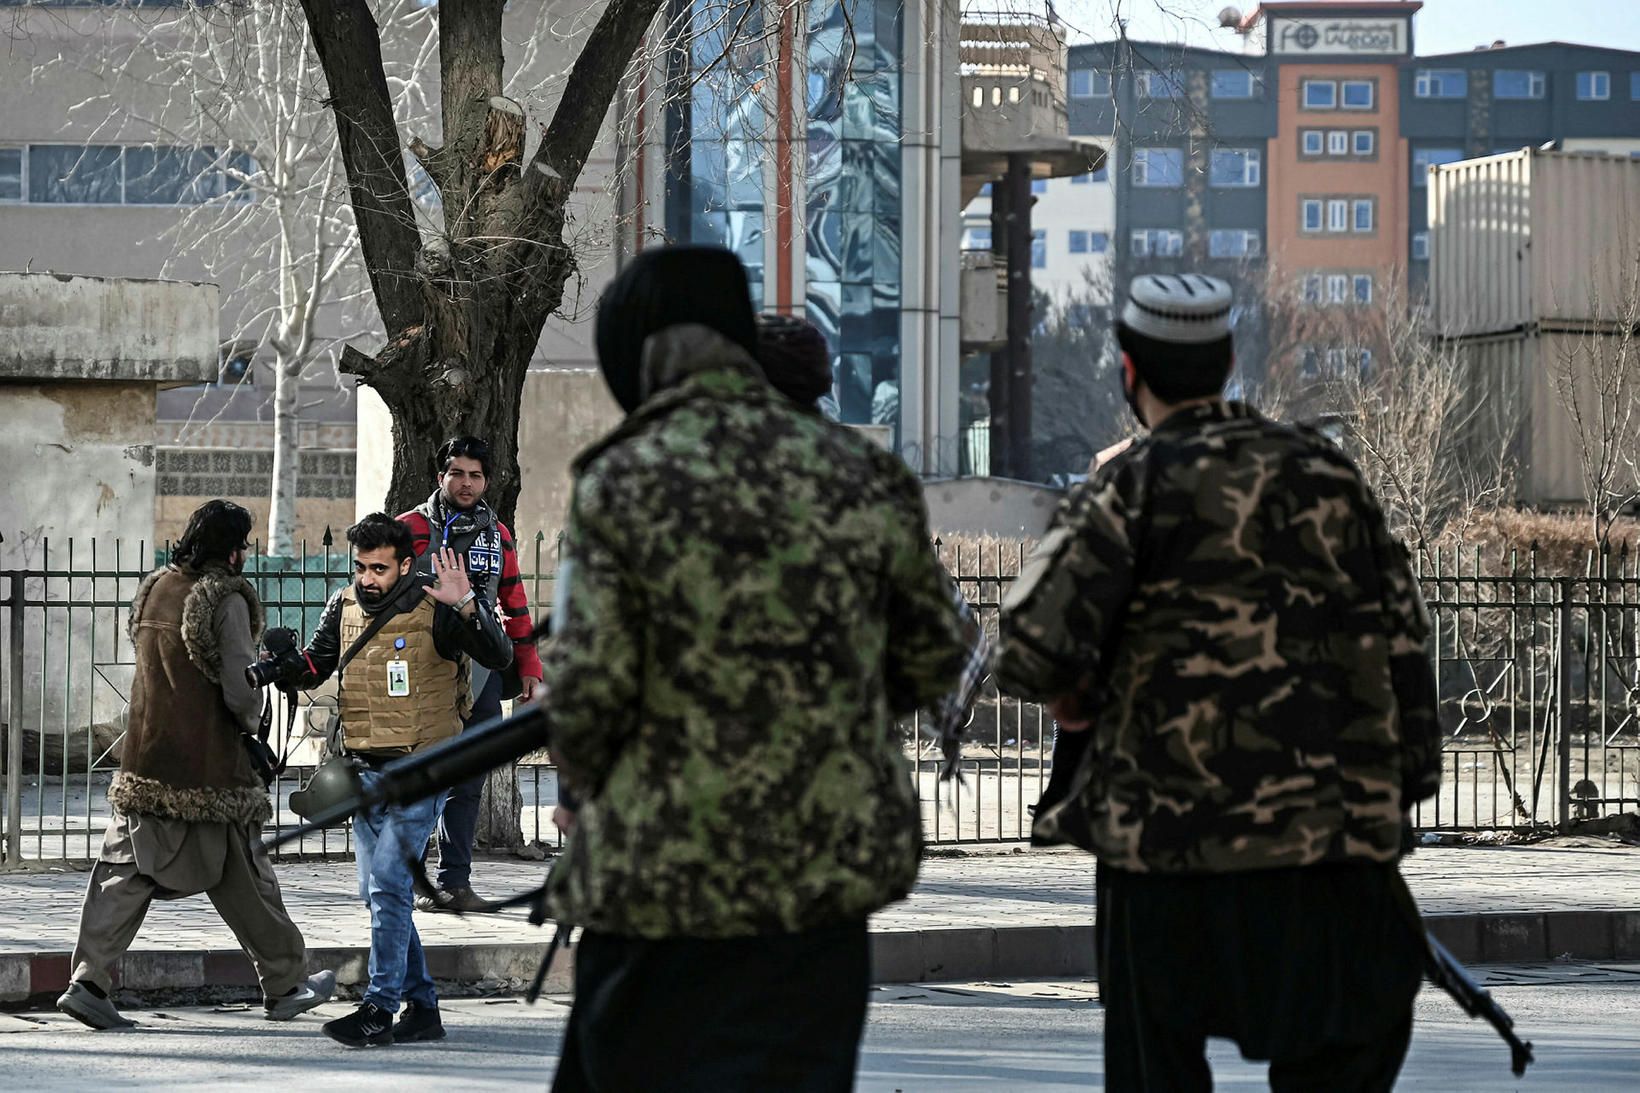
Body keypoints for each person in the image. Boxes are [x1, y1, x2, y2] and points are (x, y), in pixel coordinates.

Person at [993, 273, 1443, 1092]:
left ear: (1129, 374)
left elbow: (1028, 646)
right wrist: (1399, 803)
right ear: (1228, 360)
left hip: (1168, 867)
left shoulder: (1127, 488)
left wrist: (1080, 698)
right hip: (1330, 860)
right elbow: (1406, 649)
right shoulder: (1329, 478)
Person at [541, 246, 967, 1092]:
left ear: (641, 355)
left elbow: (586, 701)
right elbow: (932, 655)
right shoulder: (864, 476)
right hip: (818, 902)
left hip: (658, 896)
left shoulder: (624, 479)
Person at [57, 500, 334, 1030]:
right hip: (208, 765)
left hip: (146, 755)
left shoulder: (156, 587)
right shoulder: (223, 600)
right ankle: (286, 984)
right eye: (246, 545)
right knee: (247, 876)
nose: (247, 554)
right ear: (231, 549)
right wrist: (254, 718)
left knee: (126, 871)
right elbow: (237, 689)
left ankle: (88, 981)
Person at [297, 514, 513, 1047]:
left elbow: (499, 660)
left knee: (389, 884)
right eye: (361, 567)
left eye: (379, 568)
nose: (368, 578)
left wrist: (467, 604)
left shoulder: (438, 606)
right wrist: (277, 664)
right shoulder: (343, 604)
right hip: (365, 769)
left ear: (405, 565)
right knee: (380, 894)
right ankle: (423, 1008)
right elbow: (314, 666)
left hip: (424, 766)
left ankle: (379, 1007)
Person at [398, 435, 544, 913]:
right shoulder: (408, 528)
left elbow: (515, 604)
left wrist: (529, 668)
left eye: (475, 475)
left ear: (486, 481)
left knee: (470, 780)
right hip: (423, 674)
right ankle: (409, 880)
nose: (466, 483)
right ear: (440, 476)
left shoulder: (497, 534)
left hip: (481, 671)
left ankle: (455, 883)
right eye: (457, 473)